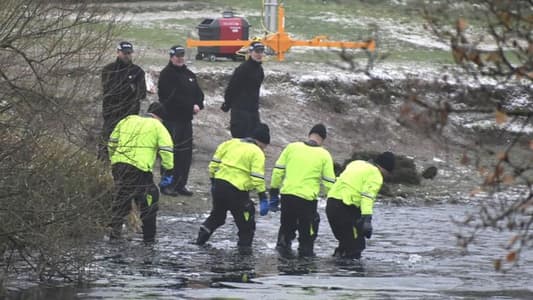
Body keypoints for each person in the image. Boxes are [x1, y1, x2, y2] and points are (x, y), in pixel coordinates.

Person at [195, 123, 271, 251]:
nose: (264, 150)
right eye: (264, 147)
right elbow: (257, 177)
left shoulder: (230, 143)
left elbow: (213, 165)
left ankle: (200, 240)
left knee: (217, 217)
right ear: (262, 142)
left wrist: (213, 181)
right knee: (246, 225)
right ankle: (243, 257)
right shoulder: (257, 152)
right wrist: (262, 196)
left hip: (219, 185)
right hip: (237, 191)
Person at [108, 102, 173, 243]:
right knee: (150, 200)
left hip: (119, 166)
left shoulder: (127, 120)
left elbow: (112, 142)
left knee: (122, 198)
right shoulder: (158, 126)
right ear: (159, 118)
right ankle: (149, 240)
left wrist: (114, 160)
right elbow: (167, 150)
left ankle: (114, 234)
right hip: (139, 169)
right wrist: (168, 170)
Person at [268, 124, 336, 257]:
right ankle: (304, 270)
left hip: (287, 196)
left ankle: (282, 266)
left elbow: (277, 171)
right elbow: (329, 183)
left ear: (309, 134)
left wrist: (274, 192)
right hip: (307, 201)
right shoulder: (324, 155)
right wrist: (333, 199)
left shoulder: (292, 147)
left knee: (285, 232)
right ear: (322, 139)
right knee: (307, 239)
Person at [326, 151, 395, 259]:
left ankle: (336, 268)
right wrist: (367, 220)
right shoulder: (376, 175)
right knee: (355, 247)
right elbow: (367, 197)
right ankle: (350, 273)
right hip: (345, 207)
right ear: (385, 169)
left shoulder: (356, 163)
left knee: (346, 243)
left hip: (331, 204)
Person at [158, 45, 204, 196]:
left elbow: (199, 94)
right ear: (171, 57)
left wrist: (198, 104)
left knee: (185, 154)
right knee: (171, 153)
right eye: (177, 56)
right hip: (172, 120)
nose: (180, 58)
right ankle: (167, 184)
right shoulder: (166, 74)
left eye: (182, 55)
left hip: (186, 121)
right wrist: (189, 106)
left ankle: (180, 184)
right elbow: (168, 98)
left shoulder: (189, 74)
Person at [99, 41, 147, 161]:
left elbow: (141, 93)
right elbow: (111, 90)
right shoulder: (108, 70)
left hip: (130, 116)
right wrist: (130, 88)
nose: (127, 55)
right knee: (106, 143)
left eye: (129, 53)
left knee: (127, 146)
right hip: (112, 114)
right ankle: (101, 168)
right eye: (125, 53)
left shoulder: (138, 71)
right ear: (118, 52)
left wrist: (129, 90)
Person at [221, 41, 265, 138]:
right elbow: (232, 87)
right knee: (240, 139)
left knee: (254, 139)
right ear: (250, 52)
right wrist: (227, 104)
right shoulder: (243, 69)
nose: (259, 54)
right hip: (240, 110)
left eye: (261, 52)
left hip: (253, 110)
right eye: (257, 52)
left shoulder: (259, 69)